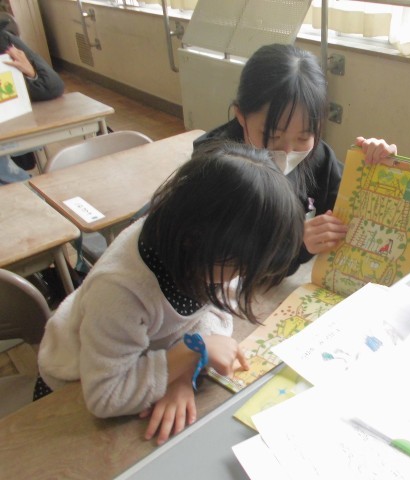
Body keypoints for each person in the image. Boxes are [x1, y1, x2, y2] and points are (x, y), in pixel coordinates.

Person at [37, 141, 305, 445]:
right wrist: (194, 350)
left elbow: (219, 306)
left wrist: (182, 373)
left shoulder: (201, 249)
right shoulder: (120, 290)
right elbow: (105, 396)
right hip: (74, 384)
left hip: (143, 358)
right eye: (241, 267)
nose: (240, 278)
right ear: (196, 242)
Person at [193, 43, 397, 274]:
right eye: (272, 135)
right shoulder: (216, 169)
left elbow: (352, 207)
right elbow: (225, 260)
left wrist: (376, 170)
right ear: (241, 115)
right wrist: (294, 244)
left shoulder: (317, 156)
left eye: (303, 137)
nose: (288, 151)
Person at [0, 17, 65, 184]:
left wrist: (31, 73)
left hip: (13, 131)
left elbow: (53, 86)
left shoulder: (3, 39)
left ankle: (26, 189)